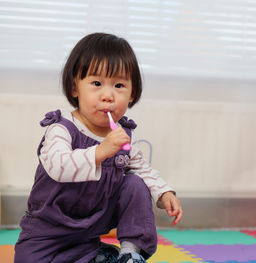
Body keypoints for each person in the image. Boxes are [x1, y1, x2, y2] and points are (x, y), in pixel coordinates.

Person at [14, 32, 183, 263]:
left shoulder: (122, 136)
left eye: (119, 85)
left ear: (132, 94)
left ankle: (130, 253)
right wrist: (102, 151)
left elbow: (142, 168)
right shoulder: (61, 128)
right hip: (47, 232)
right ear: (75, 88)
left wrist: (164, 192)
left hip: (89, 230)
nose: (108, 96)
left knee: (135, 182)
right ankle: (95, 255)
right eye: (96, 84)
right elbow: (58, 166)